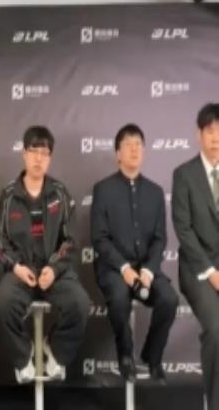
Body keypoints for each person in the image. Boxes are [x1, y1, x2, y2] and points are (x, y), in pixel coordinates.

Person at [0, 125, 90, 383]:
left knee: (80, 303)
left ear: (50, 157)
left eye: (44, 153)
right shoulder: (8, 196)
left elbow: (70, 240)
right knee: (3, 302)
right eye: (34, 151)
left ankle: (55, 349)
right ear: (24, 153)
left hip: (54, 271)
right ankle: (23, 356)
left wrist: (54, 268)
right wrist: (16, 267)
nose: (38, 158)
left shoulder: (61, 193)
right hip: (21, 271)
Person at [91, 123, 178, 383]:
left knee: (169, 299)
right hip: (114, 268)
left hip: (147, 269)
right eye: (128, 145)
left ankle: (152, 356)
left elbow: (160, 239)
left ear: (144, 151)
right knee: (119, 298)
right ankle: (125, 354)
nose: (134, 149)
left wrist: (149, 271)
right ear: (118, 153)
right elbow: (99, 238)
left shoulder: (155, 192)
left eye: (138, 144)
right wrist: (124, 268)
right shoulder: (103, 189)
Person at [172, 103, 219, 407]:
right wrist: (212, 273)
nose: (216, 138)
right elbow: (184, 229)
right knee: (216, 329)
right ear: (199, 134)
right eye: (211, 131)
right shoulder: (184, 175)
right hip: (198, 271)